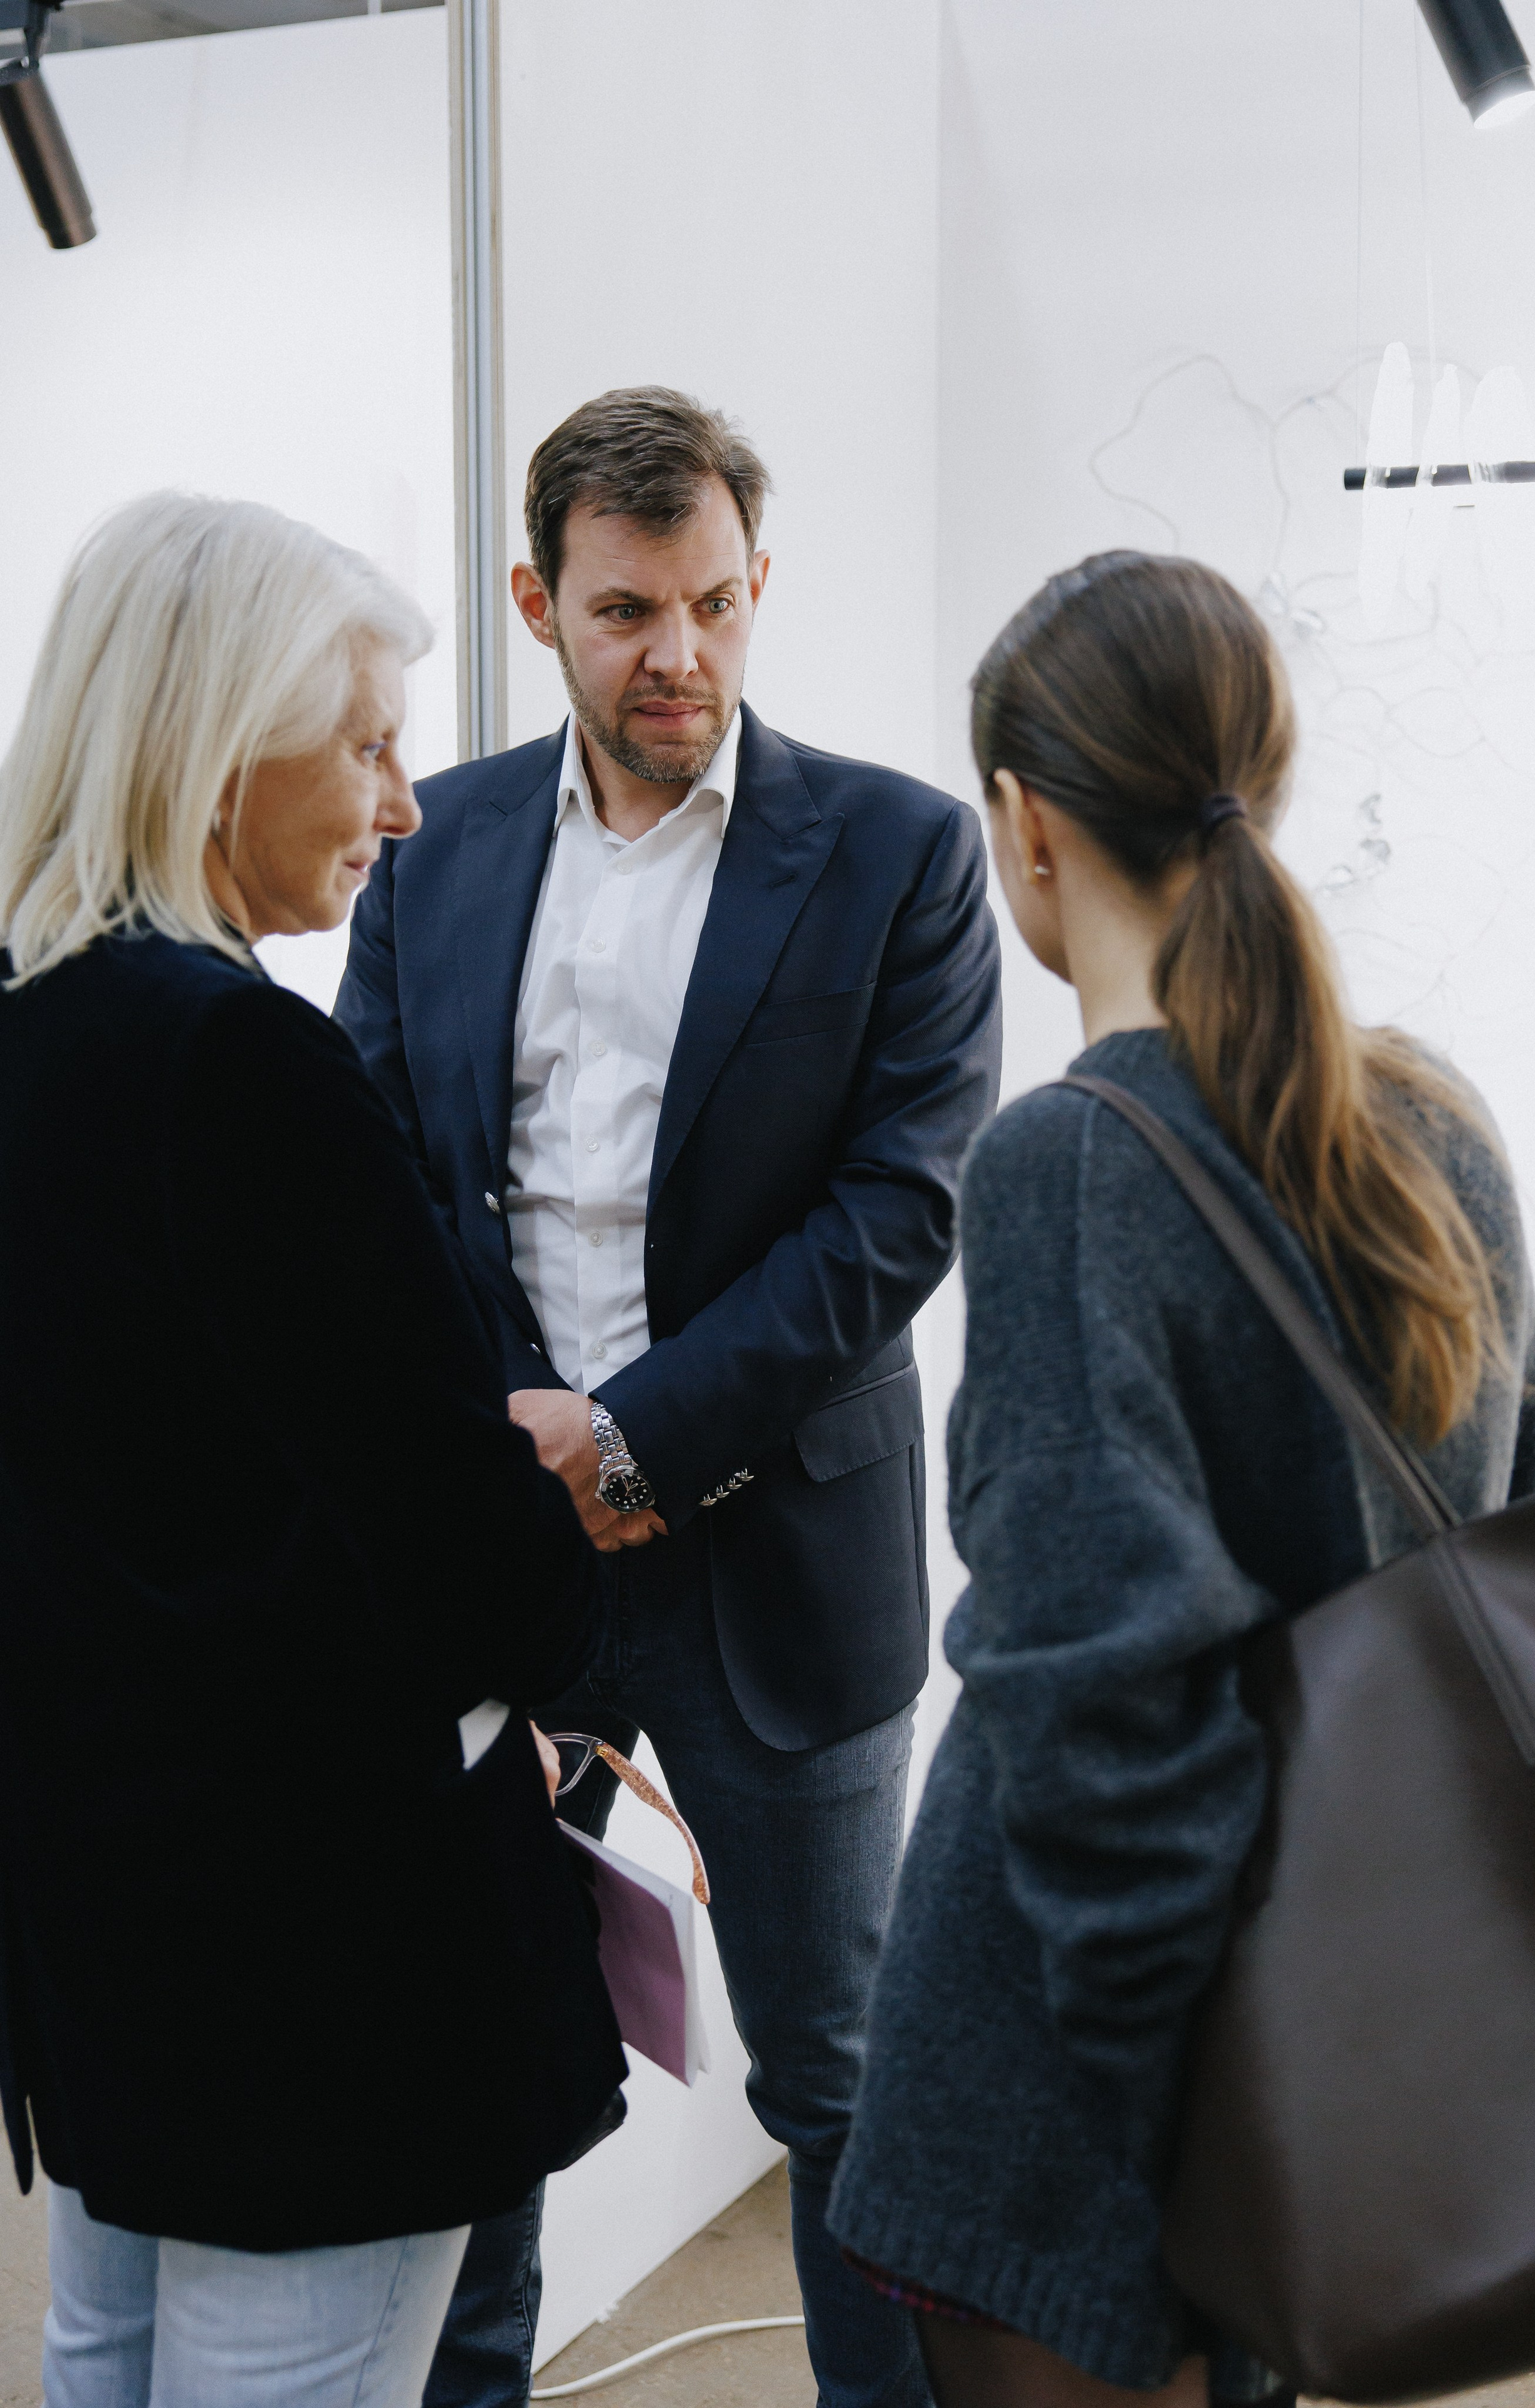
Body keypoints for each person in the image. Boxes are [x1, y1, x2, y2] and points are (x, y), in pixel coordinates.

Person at [827, 550, 1535, 2408]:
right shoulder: (1440, 1123)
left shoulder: (1067, 1164)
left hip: (1085, 2113)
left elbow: (1097, 1699)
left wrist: (1187, 2157)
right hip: (1338, 2029)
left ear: (1022, 823)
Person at [335, 385, 1002, 2408]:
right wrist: (524, 1431)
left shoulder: (900, 850)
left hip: (777, 1558)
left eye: (717, 601)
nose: (683, 654)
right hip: (505, 1560)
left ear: (759, 581)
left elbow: (898, 1213)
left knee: (840, 2073)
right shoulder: (427, 844)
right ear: (541, 602)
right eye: (630, 611)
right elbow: (371, 1170)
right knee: (496, 2048)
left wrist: (633, 1435)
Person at [0, 492, 627, 2408]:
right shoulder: (246, 1066)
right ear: (212, 749)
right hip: (322, 1948)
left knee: (105, 2363)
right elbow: (448, 1550)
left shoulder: (32, 1033)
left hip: (104, 1911)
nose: (406, 802)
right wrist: (545, 1494)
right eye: (366, 741)